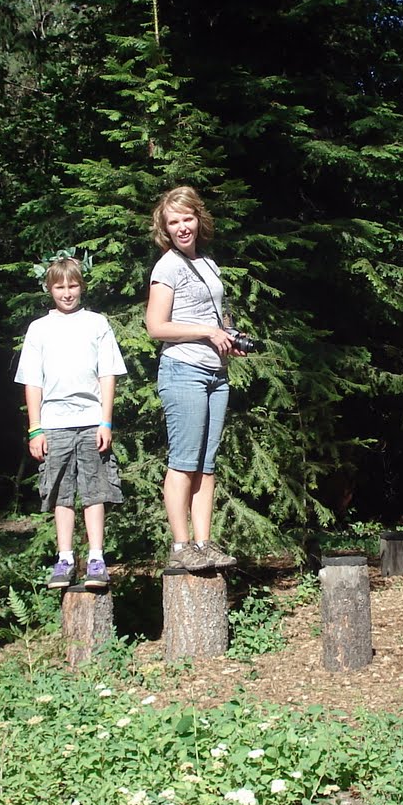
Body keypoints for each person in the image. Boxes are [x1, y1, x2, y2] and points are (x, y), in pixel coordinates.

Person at [15, 255, 127, 590]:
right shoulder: (39, 329)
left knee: (95, 490)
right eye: (60, 286)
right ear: (49, 288)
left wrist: (105, 422)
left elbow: (107, 374)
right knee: (60, 492)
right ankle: (64, 558)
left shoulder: (96, 323)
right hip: (54, 424)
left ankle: (96, 557)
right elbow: (32, 381)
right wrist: (35, 428)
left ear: (82, 285)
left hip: (92, 421)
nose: (67, 292)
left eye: (73, 285)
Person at [145, 186, 242, 570]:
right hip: (183, 370)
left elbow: (217, 317)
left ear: (199, 219)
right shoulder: (166, 267)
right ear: (165, 229)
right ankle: (182, 546)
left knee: (206, 464)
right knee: (184, 461)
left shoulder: (208, 264)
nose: (182, 227)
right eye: (174, 222)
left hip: (216, 373)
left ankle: (205, 544)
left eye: (187, 218)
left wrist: (227, 336)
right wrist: (205, 332)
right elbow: (156, 326)